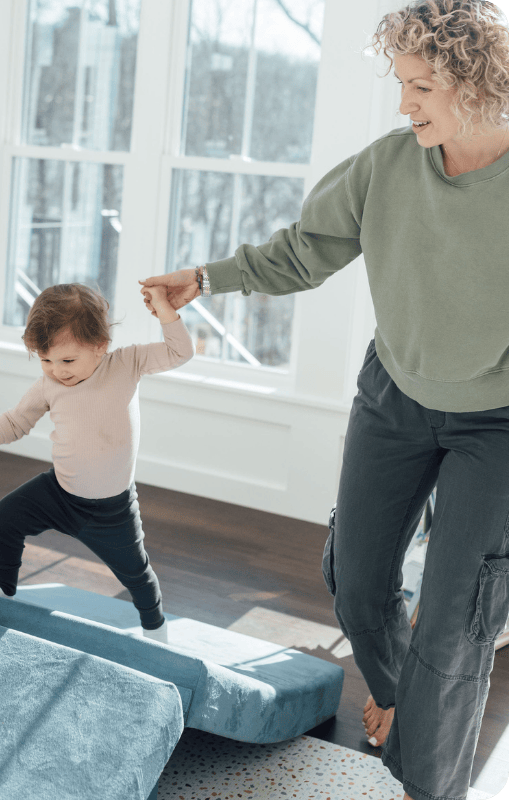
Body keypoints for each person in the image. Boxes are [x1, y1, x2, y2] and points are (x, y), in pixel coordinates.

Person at [139, 1, 509, 797]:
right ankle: (403, 700)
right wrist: (205, 278)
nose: (405, 103)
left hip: (498, 422)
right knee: (356, 576)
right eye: (401, 84)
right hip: (396, 392)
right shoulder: (388, 164)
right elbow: (308, 251)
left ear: (478, 87)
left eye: (421, 88)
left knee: (455, 621)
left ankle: (423, 781)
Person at [0, 283, 194, 643]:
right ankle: (3, 587)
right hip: (60, 492)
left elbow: (180, 351)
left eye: (66, 360)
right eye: (45, 360)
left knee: (136, 574)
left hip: (112, 509)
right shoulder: (49, 385)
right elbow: (17, 420)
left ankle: (155, 627)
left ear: (100, 345)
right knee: (6, 516)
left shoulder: (127, 363)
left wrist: (165, 311)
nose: (56, 371)